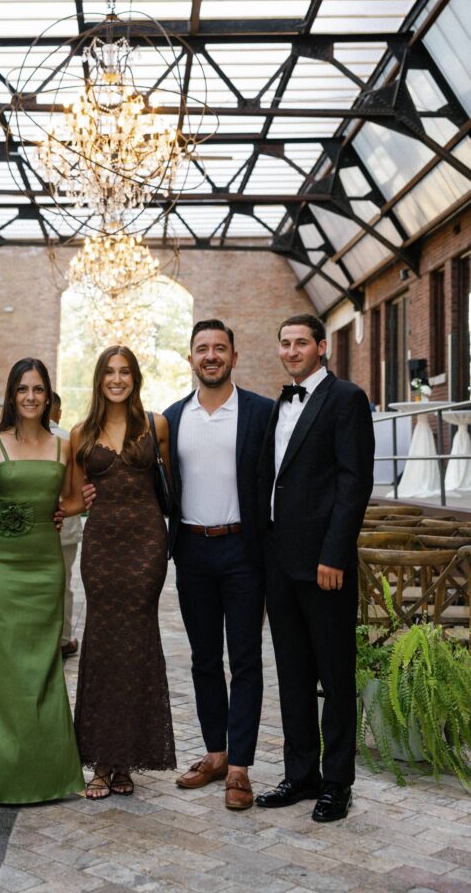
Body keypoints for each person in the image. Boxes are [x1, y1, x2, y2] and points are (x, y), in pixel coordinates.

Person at [256, 313, 374, 823]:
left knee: (335, 674)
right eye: (284, 343)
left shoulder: (345, 399)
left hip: (324, 565)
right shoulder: (280, 401)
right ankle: (300, 773)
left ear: (321, 347)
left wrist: (334, 553)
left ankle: (337, 783)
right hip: (280, 562)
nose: (291, 350)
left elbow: (354, 484)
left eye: (300, 342)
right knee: (293, 674)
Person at [0, 358, 83, 804]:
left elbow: (74, 498)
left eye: (38, 390)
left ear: (48, 396)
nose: (30, 397)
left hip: (46, 569)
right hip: (3, 570)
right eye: (23, 389)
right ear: (12, 394)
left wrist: (66, 511)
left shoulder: (65, 446)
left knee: (44, 666)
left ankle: (45, 774)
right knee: (2, 664)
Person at [164, 319, 273, 810]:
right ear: (190, 358)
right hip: (191, 549)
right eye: (202, 349)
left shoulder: (260, 413)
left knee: (246, 662)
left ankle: (240, 768)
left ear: (234, 355)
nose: (211, 355)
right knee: (205, 659)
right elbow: (153, 486)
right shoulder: (170, 418)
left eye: (219, 348)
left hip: (243, 551)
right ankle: (214, 753)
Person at [62, 345, 176, 799]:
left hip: (147, 546)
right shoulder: (79, 433)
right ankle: (102, 761)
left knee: (139, 644)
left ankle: (126, 761)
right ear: (98, 379)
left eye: (124, 372)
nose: (116, 379)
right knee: (104, 644)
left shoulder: (156, 424)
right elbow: (72, 498)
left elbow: (172, 487)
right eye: (109, 372)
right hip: (102, 550)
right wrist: (51, 509)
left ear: (135, 378)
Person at [49, 391, 83, 659]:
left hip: (58, 523)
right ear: (57, 412)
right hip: (65, 527)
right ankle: (62, 639)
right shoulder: (66, 438)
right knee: (63, 583)